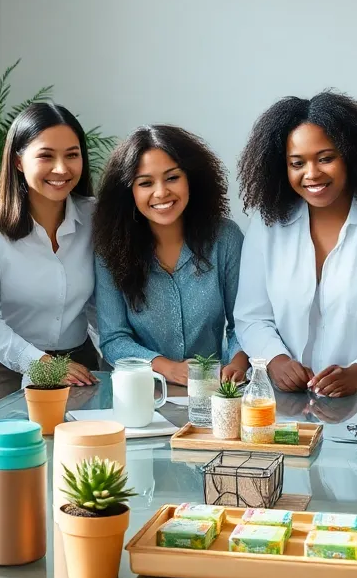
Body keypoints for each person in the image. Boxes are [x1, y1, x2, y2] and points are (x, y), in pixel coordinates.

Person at [234, 91, 357, 397]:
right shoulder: (268, 222)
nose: (312, 174)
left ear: (351, 157)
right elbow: (251, 315)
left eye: (326, 158)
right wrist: (275, 359)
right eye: (297, 163)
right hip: (278, 403)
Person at [0, 102, 100, 401]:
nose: (61, 169)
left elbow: (102, 307)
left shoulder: (94, 216)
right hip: (4, 368)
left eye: (72, 155)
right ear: (19, 161)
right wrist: (44, 367)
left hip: (79, 364)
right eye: (46, 156)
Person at [93, 124, 248, 385]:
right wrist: (167, 368)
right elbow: (113, 340)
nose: (161, 192)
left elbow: (243, 322)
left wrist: (237, 363)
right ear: (128, 191)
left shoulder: (226, 238)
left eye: (172, 178)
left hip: (214, 389)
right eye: (145, 183)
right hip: (140, 392)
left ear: (191, 178)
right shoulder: (109, 248)